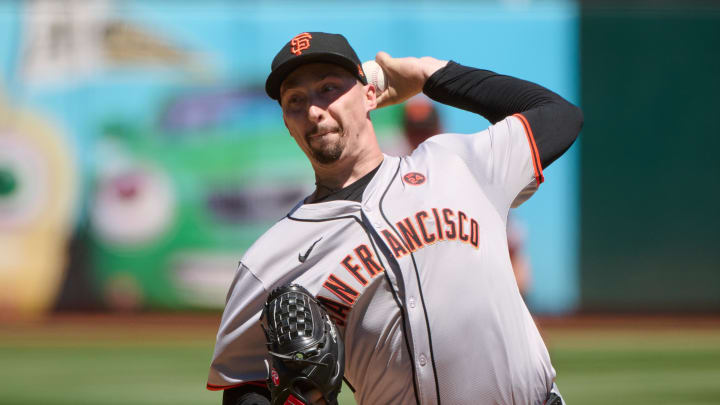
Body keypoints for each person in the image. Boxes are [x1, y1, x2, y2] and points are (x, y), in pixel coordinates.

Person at [207, 32, 582, 405]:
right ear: (288, 124)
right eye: (295, 101)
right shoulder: (269, 260)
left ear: (370, 94)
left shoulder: (459, 163)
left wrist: (428, 74)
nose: (314, 110)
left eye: (328, 88)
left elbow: (559, 115)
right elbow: (242, 385)